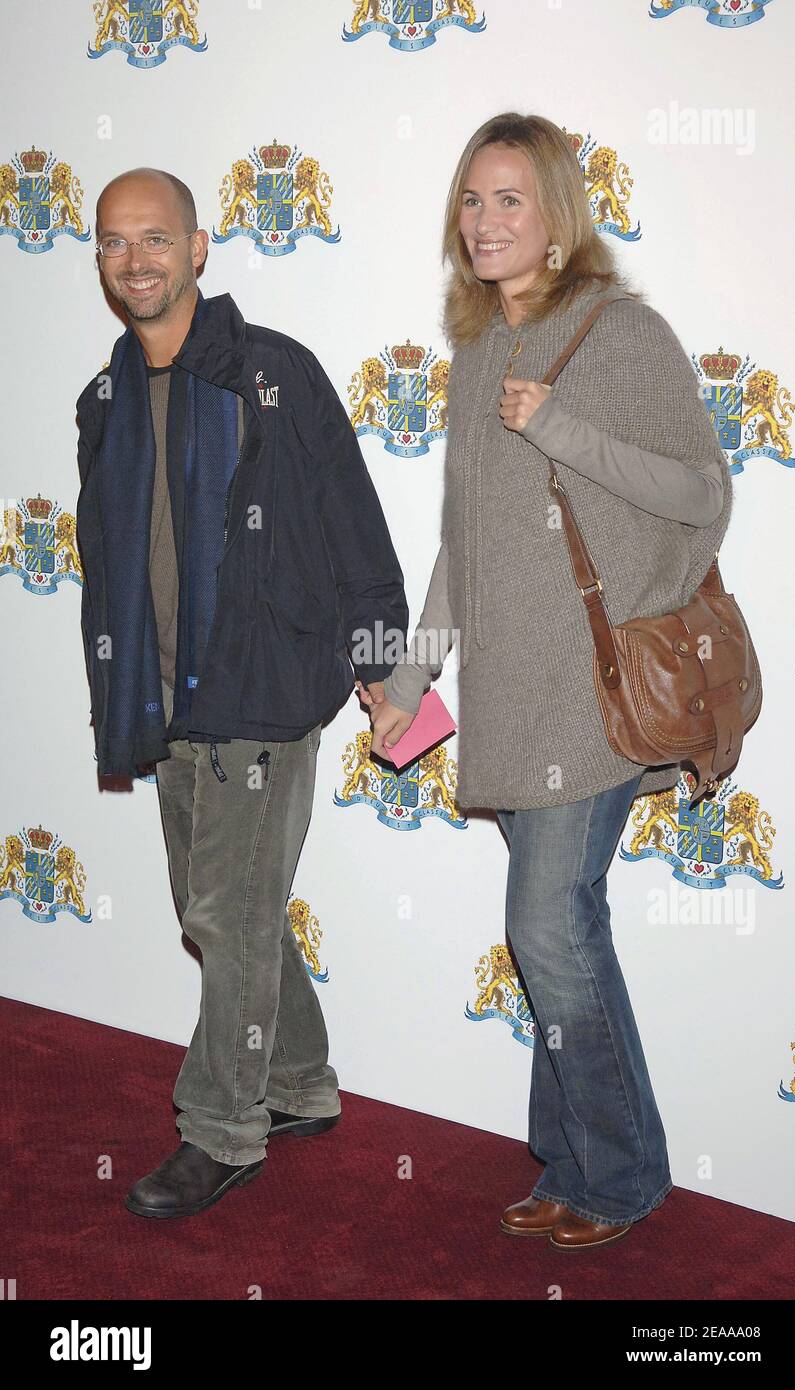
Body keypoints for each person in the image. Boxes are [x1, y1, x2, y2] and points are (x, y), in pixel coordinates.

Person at [360, 113, 732, 1251]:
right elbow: (457, 552)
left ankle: (621, 1174)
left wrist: (562, 429)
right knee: (559, 932)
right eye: (472, 200)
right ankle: (571, 1162)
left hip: (598, 695)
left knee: (547, 927)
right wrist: (401, 679)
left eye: (510, 199)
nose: (484, 221)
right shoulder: (475, 354)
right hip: (514, 706)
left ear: (559, 214)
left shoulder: (618, 333)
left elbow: (703, 493)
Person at [75, 167, 408, 1220]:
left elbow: (355, 526)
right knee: (222, 913)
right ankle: (300, 1081)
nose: (137, 259)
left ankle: (224, 1128)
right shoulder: (104, 399)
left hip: (264, 694)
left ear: (200, 245)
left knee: (229, 913)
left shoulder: (273, 375)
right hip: (163, 699)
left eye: (156, 237)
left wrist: (388, 665)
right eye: (116, 242)